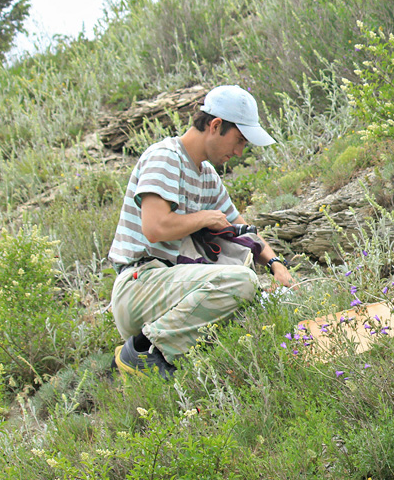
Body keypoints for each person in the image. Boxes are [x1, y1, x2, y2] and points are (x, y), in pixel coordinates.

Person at [108, 84, 294, 378]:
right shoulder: (165, 157)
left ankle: (182, 364)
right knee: (241, 283)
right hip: (139, 284)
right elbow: (155, 228)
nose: (239, 151)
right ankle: (143, 352)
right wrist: (204, 217)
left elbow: (241, 230)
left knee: (259, 298)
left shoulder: (207, 175)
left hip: (171, 287)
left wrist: (275, 264)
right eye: (239, 140)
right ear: (215, 125)